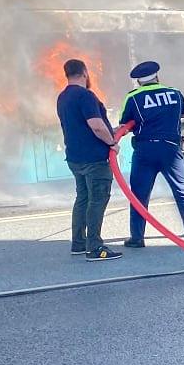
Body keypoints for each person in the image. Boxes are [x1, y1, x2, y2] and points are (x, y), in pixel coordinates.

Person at [119, 61, 184, 247]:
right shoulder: (175, 93)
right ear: (157, 77)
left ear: (138, 82)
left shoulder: (133, 97)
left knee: (139, 195)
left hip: (145, 151)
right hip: (171, 148)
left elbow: (125, 123)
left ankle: (137, 238)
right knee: (181, 188)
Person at [55, 59, 122, 261]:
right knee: (97, 200)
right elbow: (96, 126)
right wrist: (112, 143)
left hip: (75, 158)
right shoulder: (85, 96)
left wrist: (114, 131)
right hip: (95, 159)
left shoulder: (63, 97)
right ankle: (94, 247)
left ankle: (78, 243)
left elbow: (80, 126)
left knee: (82, 199)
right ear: (84, 73)